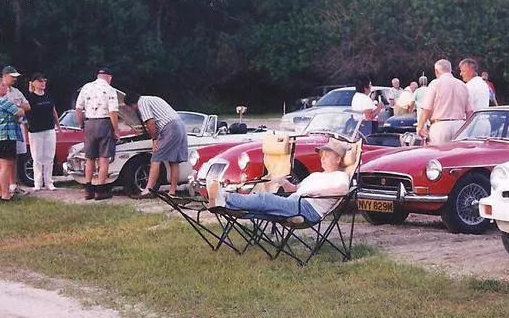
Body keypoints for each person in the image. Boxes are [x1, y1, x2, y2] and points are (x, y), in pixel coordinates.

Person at [207, 139, 350, 223]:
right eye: (322, 156)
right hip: (296, 202)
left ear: (338, 159)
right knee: (257, 210)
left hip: (308, 209)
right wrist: (284, 182)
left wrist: (315, 192)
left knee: (265, 199)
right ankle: (224, 205)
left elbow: (342, 190)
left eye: (327, 156)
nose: (322, 159)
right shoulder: (316, 175)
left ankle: (225, 197)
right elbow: (294, 189)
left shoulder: (339, 176)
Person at [124, 92, 188, 198]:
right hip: (180, 125)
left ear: (132, 104)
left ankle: (148, 190)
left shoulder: (142, 103)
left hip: (170, 127)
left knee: (156, 158)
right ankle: (172, 192)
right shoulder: (151, 99)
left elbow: (150, 122)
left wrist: (154, 138)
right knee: (174, 161)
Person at [75, 67, 120, 200]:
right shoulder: (110, 90)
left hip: (89, 123)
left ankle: (88, 189)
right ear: (109, 77)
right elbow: (113, 112)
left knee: (89, 158)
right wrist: (116, 130)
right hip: (104, 122)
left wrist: (81, 124)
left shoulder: (86, 87)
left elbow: (78, 108)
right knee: (103, 158)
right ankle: (100, 190)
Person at [417, 59, 473, 144]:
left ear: (436, 71)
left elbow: (427, 109)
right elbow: (469, 111)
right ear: (450, 70)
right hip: (460, 126)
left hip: (440, 126)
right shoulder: (462, 85)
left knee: (440, 155)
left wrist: (420, 127)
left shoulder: (435, 84)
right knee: (459, 155)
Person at [0, 76, 25, 201]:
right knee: (6, 166)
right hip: (5, 136)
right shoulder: (3, 101)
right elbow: (20, 112)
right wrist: (17, 105)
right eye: (3, 86)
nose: (6, 88)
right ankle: (6, 194)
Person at [26, 72, 60, 191]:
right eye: (40, 81)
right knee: (37, 157)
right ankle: (37, 182)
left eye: (44, 81)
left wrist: (58, 126)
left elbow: (53, 111)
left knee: (49, 156)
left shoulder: (48, 96)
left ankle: (49, 181)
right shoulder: (29, 97)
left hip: (49, 129)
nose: (43, 83)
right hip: (35, 131)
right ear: (34, 83)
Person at [1, 65, 30, 194]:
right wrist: (18, 110)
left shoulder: (16, 92)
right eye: (12, 77)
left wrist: (17, 105)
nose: (14, 79)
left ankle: (14, 184)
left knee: (16, 157)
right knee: (6, 159)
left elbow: (27, 107)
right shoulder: (0, 91)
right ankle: (6, 186)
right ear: (5, 76)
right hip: (6, 127)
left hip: (17, 127)